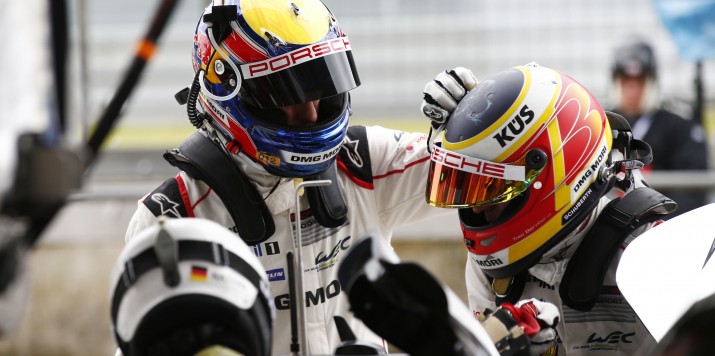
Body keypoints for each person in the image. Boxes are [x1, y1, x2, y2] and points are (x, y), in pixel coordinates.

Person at [123, 0, 458, 354]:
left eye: (320, 85)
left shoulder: (363, 159)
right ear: (227, 90)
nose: (310, 112)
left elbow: (483, 172)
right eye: (284, 92)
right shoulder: (171, 220)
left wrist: (471, 121)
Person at [420, 62, 677, 354]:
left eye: (492, 190)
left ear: (555, 177)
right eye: (473, 189)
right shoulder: (490, 267)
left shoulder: (649, 252)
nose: (476, 210)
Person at [610, 39, 709, 217]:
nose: (632, 91)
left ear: (651, 83)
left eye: (639, 82)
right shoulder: (602, 125)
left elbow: (692, 189)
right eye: (626, 82)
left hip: (661, 227)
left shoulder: (677, 128)